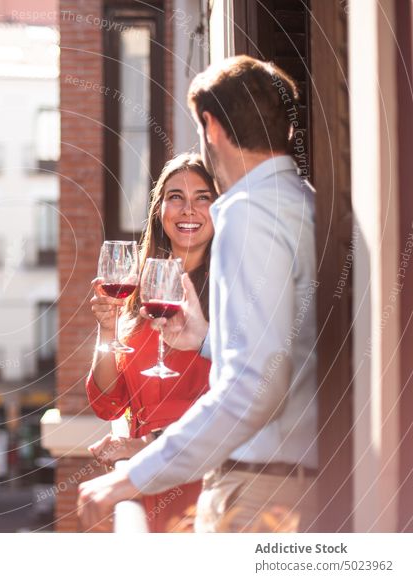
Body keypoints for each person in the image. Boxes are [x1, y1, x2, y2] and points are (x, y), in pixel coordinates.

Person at [77, 55, 318, 533]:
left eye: (200, 197)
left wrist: (130, 479)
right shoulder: (306, 201)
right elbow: (286, 349)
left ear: (211, 127)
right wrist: (207, 340)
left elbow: (255, 387)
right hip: (299, 475)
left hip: (261, 486)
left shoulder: (249, 212)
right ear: (286, 128)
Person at [86, 153, 217, 532]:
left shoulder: (234, 294)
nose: (188, 208)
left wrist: (142, 448)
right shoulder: (140, 288)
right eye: (175, 196)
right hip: (149, 487)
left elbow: (238, 406)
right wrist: (108, 329)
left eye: (203, 196)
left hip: (202, 484)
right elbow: (110, 402)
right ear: (160, 209)